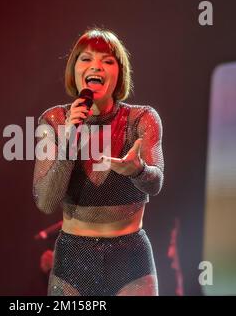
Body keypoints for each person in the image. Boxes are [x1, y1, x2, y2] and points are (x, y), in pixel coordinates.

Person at [32, 28, 164, 296]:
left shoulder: (141, 119)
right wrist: (69, 140)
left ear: (119, 73)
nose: (96, 66)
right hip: (73, 258)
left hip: (130, 258)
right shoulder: (54, 121)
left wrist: (137, 171)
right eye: (86, 59)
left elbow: (155, 183)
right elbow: (45, 201)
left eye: (107, 60)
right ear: (75, 69)